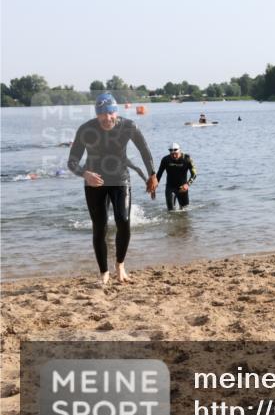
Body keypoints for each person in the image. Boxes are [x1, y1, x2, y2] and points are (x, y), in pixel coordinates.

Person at [67, 93, 157, 285]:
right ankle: (104, 272)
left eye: (110, 113)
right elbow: (72, 161)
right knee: (100, 227)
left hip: (120, 179)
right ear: (97, 115)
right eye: (102, 115)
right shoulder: (86, 129)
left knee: (123, 220)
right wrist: (85, 174)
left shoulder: (128, 126)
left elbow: (144, 149)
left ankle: (120, 265)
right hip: (95, 182)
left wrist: (152, 174)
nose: (107, 118)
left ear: (116, 112)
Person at [156, 142, 197, 210]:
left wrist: (187, 184)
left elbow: (194, 174)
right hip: (170, 187)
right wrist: (154, 187)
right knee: (171, 211)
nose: (174, 156)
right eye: (172, 154)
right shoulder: (165, 160)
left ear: (180, 151)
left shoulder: (187, 159)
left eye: (176, 154)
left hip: (182, 188)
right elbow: (159, 174)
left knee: (184, 210)